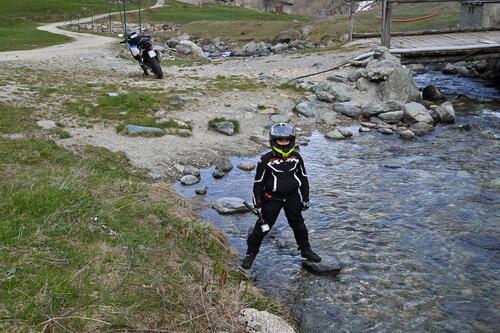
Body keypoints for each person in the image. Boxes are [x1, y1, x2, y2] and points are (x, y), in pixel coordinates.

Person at [241, 123, 321, 269]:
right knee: (262, 228)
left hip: (293, 198)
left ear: (292, 140)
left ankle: (306, 250)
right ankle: (249, 255)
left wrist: (306, 198)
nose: (284, 143)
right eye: (280, 140)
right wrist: (257, 205)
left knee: (299, 226)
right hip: (271, 199)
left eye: (287, 140)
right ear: (273, 140)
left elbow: (303, 178)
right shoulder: (265, 160)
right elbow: (258, 184)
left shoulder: (297, 157)